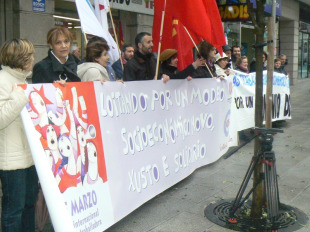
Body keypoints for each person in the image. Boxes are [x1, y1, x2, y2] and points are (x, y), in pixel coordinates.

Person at [0, 39, 38, 231]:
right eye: (30, 55)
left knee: (29, 206)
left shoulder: (22, 80)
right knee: (13, 210)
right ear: (20, 58)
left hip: (29, 158)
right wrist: (19, 98)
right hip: (12, 162)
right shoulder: (3, 81)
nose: (33, 58)